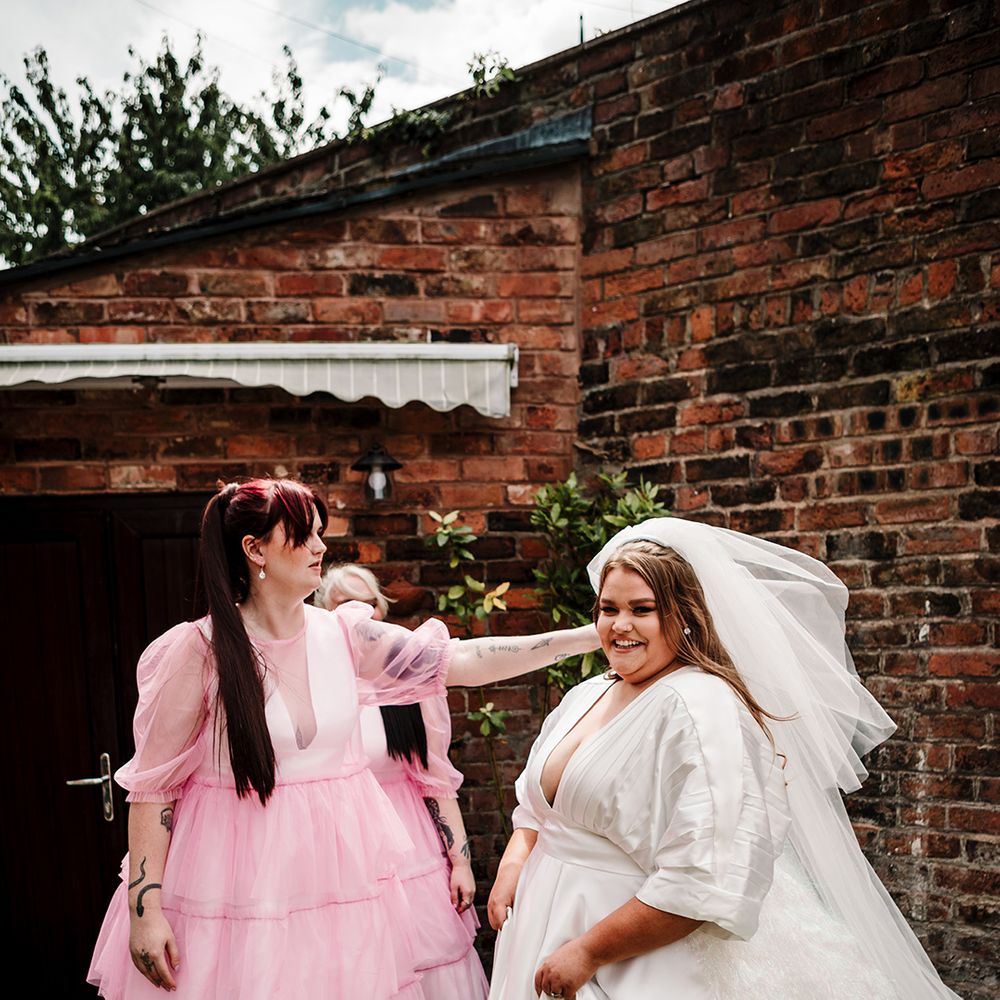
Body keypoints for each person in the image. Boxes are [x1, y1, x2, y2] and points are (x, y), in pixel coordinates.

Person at [87, 478, 598, 999]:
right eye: (304, 535)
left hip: (337, 887)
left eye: (320, 533)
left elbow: (460, 661)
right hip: (233, 886)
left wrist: (588, 637)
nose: (321, 547)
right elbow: (154, 791)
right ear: (254, 549)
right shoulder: (197, 651)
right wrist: (144, 912)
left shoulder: (345, 635)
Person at [487, 517, 963, 1000]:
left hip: (623, 955)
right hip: (541, 927)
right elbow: (537, 799)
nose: (620, 625)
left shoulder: (700, 707)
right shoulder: (589, 693)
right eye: (608, 609)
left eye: (642, 609)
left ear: (684, 615)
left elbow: (704, 873)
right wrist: (516, 860)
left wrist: (588, 951)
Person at [316, 564, 489, 999]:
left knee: (425, 960)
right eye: (344, 605)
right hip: (336, 846)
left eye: (369, 603)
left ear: (381, 607)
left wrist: (460, 860)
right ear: (323, 611)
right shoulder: (312, 678)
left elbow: (434, 778)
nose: (361, 614)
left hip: (408, 843)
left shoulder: (410, 677)